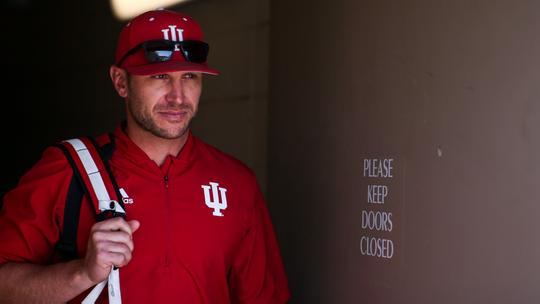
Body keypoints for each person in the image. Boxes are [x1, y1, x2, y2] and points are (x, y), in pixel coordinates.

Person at [0, 9, 290, 303]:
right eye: (160, 76)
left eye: (189, 76)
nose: (177, 96)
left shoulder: (237, 182)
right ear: (120, 82)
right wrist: (82, 274)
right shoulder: (68, 169)